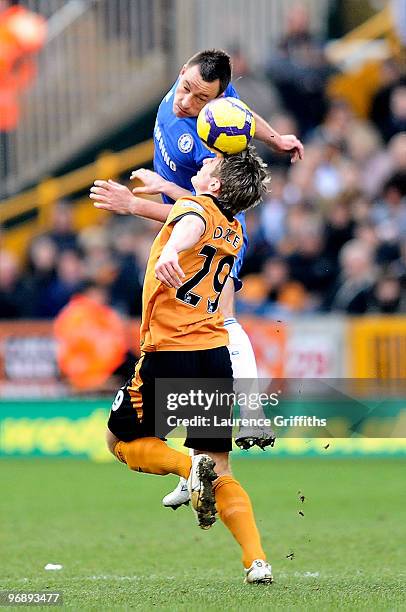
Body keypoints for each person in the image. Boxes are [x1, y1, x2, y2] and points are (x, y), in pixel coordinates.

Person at [90, 48, 303, 505]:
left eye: (200, 97)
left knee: (219, 320)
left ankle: (250, 412)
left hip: (205, 233)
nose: (186, 101)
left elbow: (194, 214)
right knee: (194, 344)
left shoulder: (213, 143)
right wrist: (277, 138)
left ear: (217, 98)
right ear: (183, 69)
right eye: (185, 87)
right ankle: (194, 470)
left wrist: (136, 204)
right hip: (183, 221)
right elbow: (243, 113)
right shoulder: (209, 98)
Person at [104, 149, 273, 584]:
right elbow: (191, 213)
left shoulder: (196, 210)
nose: (199, 167)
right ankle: (257, 561)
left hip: (169, 351)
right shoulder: (233, 230)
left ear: (214, 186)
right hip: (213, 356)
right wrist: (155, 197)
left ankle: (185, 468)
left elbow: (189, 222)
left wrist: (170, 252)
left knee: (118, 443)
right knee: (221, 467)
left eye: (208, 167)